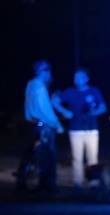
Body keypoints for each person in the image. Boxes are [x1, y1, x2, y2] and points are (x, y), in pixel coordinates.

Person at [53, 68, 107, 188]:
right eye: (75, 77)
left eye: (80, 76)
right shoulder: (69, 92)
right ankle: (78, 181)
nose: (76, 79)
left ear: (87, 78)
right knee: (77, 158)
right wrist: (64, 111)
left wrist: (95, 112)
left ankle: (93, 181)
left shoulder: (94, 91)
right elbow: (55, 101)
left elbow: (103, 107)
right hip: (75, 129)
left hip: (92, 130)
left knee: (92, 157)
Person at [16, 60, 64, 192]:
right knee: (48, 155)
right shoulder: (40, 86)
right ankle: (47, 185)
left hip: (32, 124)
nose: (50, 73)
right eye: (47, 70)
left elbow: (28, 105)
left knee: (31, 153)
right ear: (42, 71)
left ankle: (22, 182)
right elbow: (45, 109)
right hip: (44, 126)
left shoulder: (30, 84)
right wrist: (57, 124)